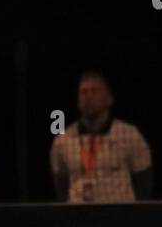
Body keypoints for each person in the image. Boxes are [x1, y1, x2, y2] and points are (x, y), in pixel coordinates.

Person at [50, 71, 152, 203]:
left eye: (94, 91)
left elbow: (144, 181)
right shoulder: (63, 139)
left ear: (109, 99)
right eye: (84, 92)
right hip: (78, 216)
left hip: (118, 215)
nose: (88, 96)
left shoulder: (129, 134)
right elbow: (60, 182)